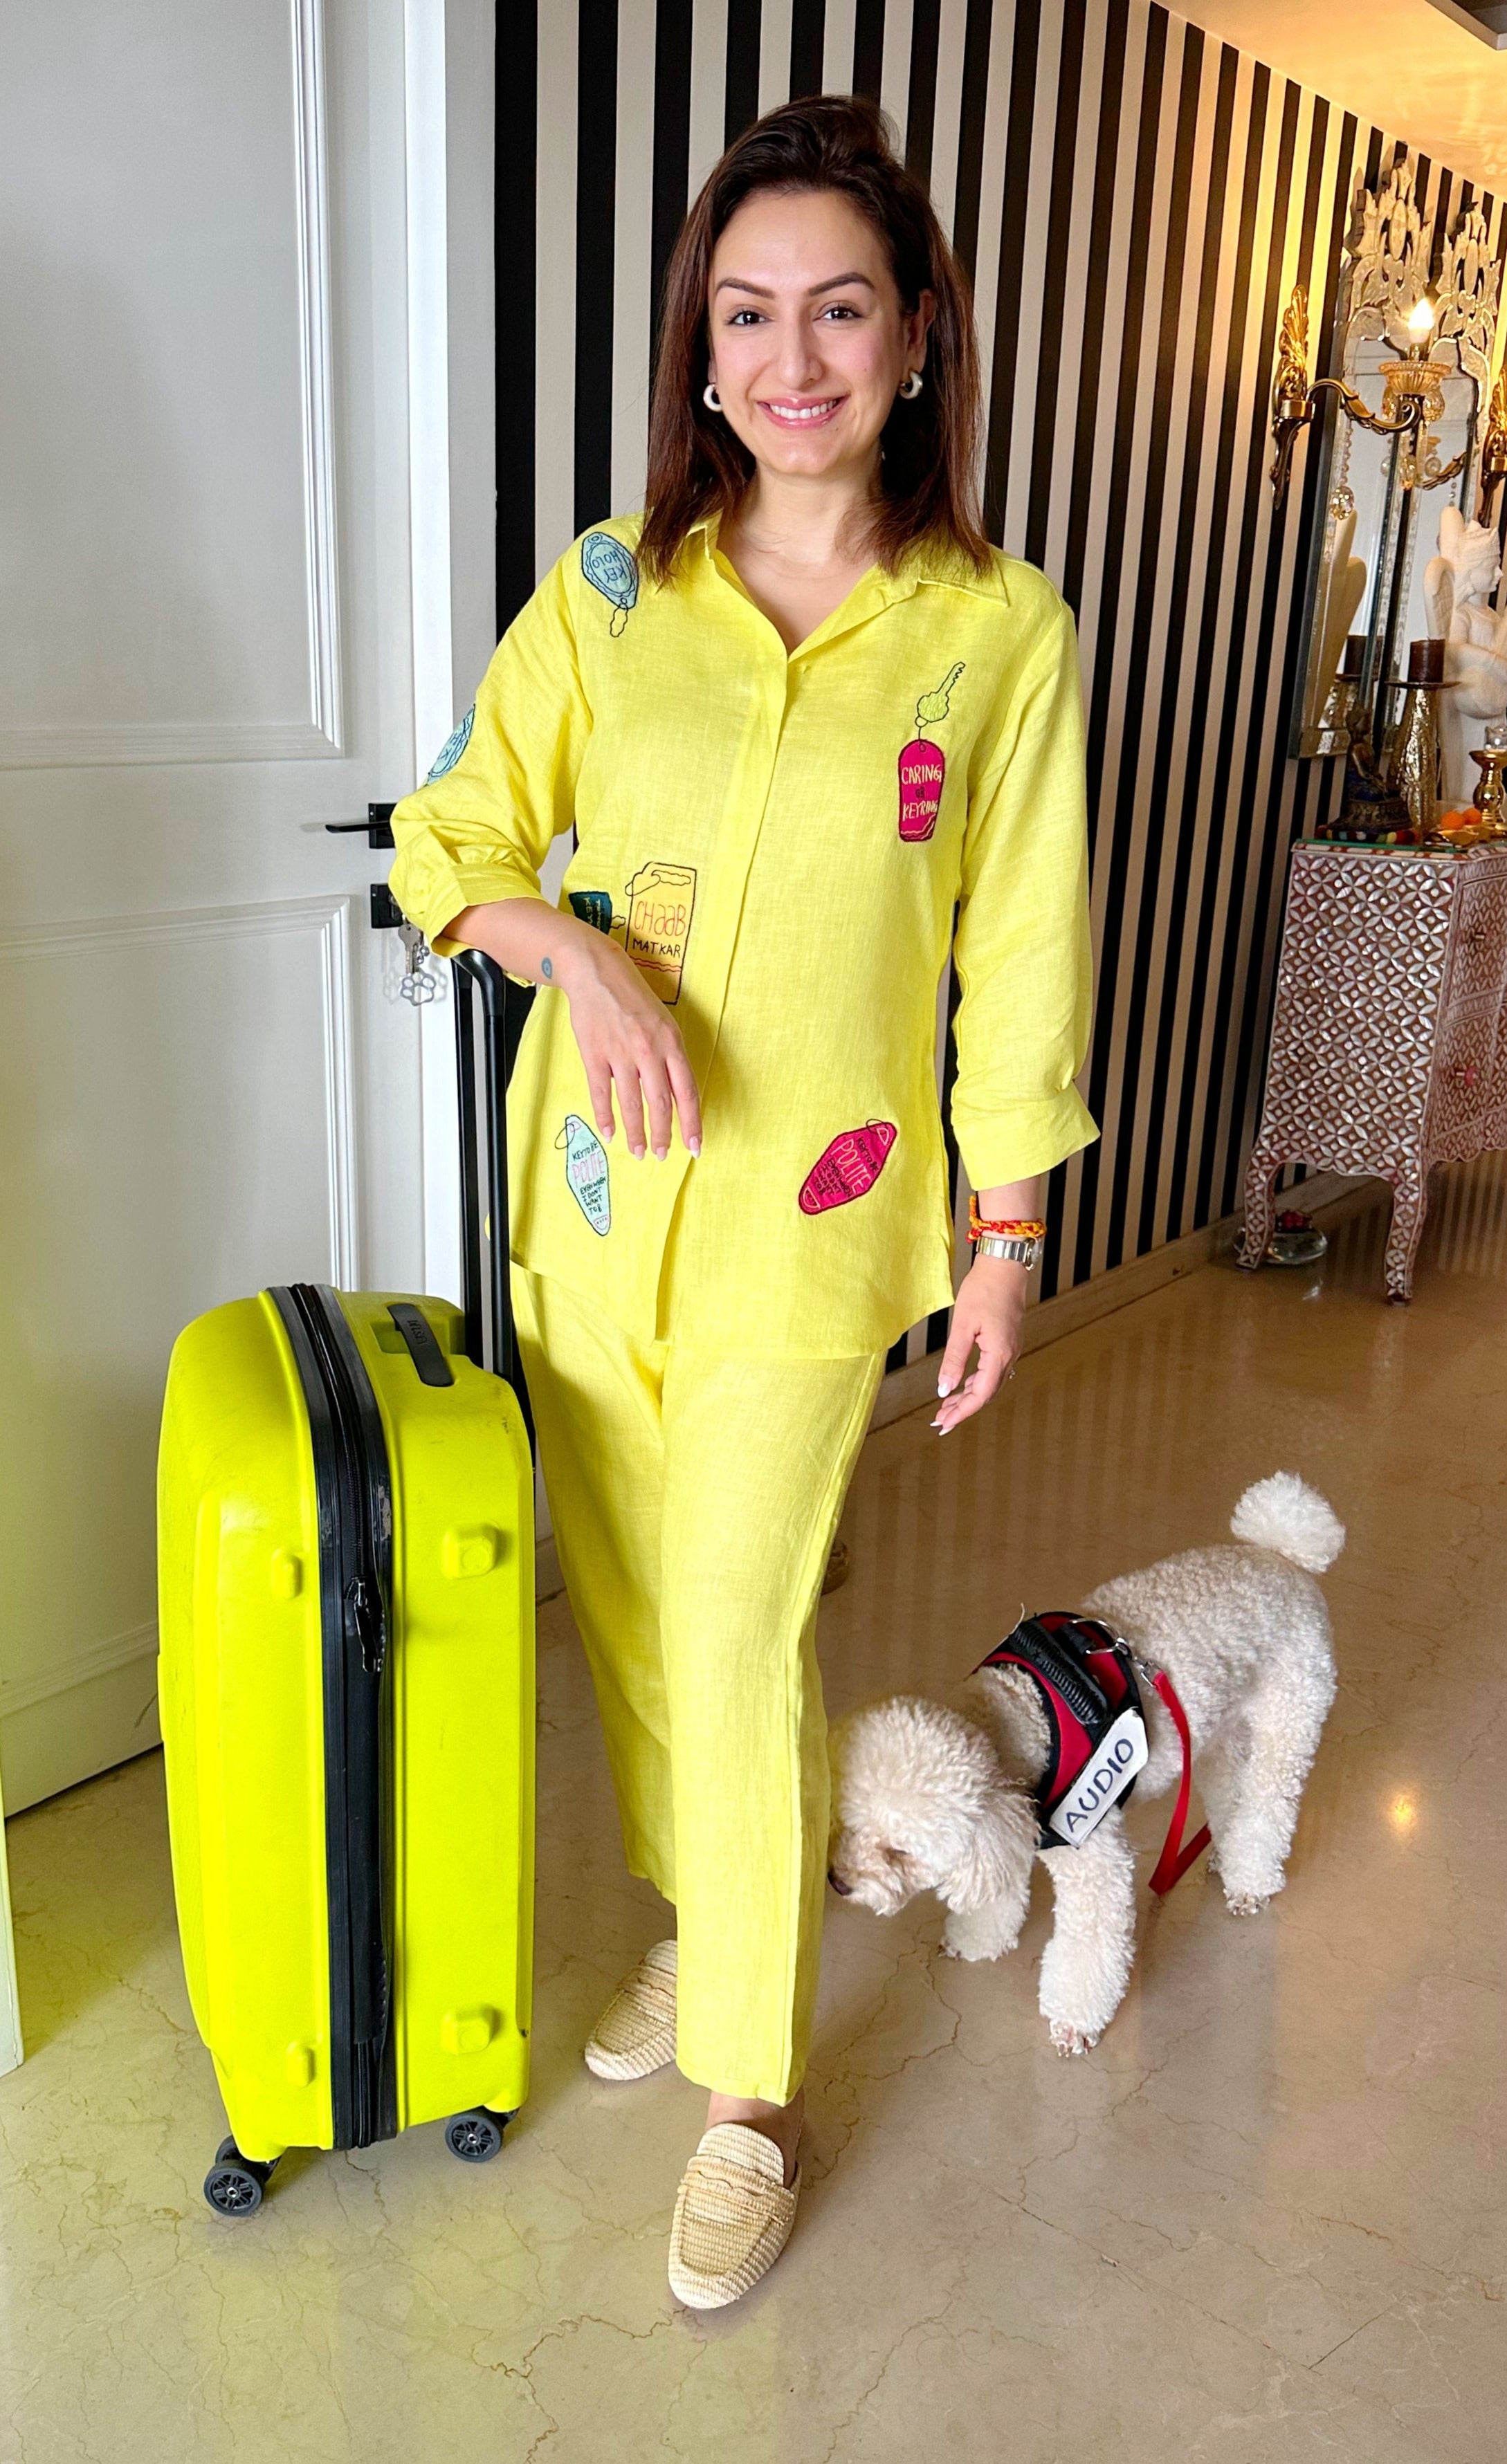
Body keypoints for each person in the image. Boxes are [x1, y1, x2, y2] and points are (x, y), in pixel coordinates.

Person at [390, 92, 1096, 2310]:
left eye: (840, 311)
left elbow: (1024, 954)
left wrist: (1003, 1240)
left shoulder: (996, 630)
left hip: (816, 1226)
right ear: (700, 350)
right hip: (596, 1206)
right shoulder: (615, 592)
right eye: (747, 313)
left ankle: (746, 2098)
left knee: (732, 1623)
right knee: (623, 1620)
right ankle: (716, 1922)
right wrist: (571, 949)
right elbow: (449, 836)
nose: (792, 359)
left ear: (916, 338)